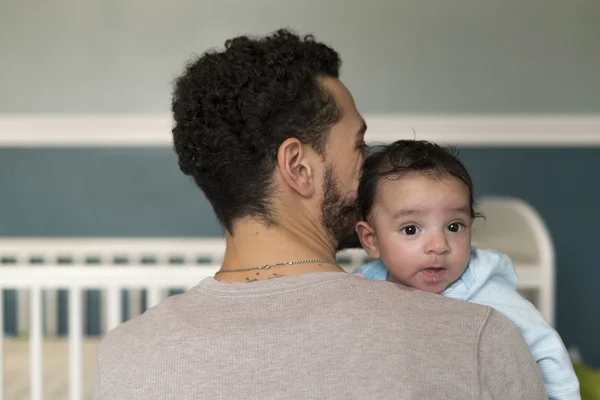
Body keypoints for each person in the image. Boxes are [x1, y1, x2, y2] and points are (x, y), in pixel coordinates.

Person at [92, 29, 546, 399]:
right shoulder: (476, 338)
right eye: (359, 145)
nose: (372, 169)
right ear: (298, 167)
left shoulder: (125, 356)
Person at [354, 139, 580, 399]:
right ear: (371, 240)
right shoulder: (364, 286)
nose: (438, 246)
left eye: (454, 227)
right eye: (411, 229)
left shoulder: (488, 295)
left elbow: (546, 345)